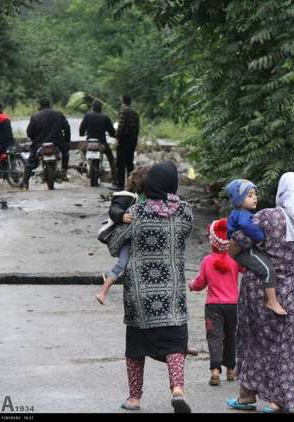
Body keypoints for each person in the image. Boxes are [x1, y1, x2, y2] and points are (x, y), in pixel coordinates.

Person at [107, 161, 194, 413]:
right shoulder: (185, 212)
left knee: (136, 347)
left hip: (139, 294)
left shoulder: (138, 211)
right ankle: (177, 389)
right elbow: (184, 233)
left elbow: (115, 244)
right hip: (172, 293)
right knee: (176, 344)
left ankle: (134, 399)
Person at [226, 172, 294, 413]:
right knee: (285, 347)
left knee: (252, 340)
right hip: (293, 291)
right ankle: (279, 400)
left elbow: (238, 244)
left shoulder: (267, 216)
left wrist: (232, 252)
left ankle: (246, 395)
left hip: (259, 290)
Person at [189, 218, 240, 387]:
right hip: (233, 305)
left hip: (213, 306)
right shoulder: (235, 260)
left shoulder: (207, 261)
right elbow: (247, 269)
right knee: (231, 336)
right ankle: (231, 370)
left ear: (212, 241)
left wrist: (191, 285)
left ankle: (215, 371)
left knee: (214, 337)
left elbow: (200, 283)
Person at [225, 179, 286, 316]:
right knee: (267, 269)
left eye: (254, 194)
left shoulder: (241, 213)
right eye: (250, 195)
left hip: (245, 250)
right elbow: (247, 227)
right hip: (244, 252)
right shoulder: (241, 214)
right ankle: (272, 301)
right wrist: (260, 236)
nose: (255, 197)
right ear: (239, 200)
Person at [96, 166, 150, 305]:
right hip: (127, 239)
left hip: (143, 238)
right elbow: (114, 210)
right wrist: (121, 216)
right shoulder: (127, 196)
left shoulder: (152, 198)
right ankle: (103, 292)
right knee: (122, 264)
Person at [20, 98, 70, 189]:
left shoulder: (35, 116)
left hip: (39, 143)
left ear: (40, 105)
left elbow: (29, 132)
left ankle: (24, 183)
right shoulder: (58, 114)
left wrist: (34, 139)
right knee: (65, 154)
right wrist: (66, 140)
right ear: (49, 105)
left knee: (30, 162)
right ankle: (64, 172)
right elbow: (67, 127)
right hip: (57, 141)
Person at [79, 100, 117, 187]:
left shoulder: (87, 116)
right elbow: (112, 132)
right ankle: (115, 179)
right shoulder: (105, 117)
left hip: (89, 142)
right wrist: (113, 135)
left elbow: (81, 129)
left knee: (82, 151)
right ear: (101, 109)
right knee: (111, 159)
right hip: (102, 143)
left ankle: (83, 165)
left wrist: (82, 134)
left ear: (92, 108)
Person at [115, 95, 140, 190]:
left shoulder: (123, 111)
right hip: (132, 140)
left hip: (124, 140)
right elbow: (137, 129)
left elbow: (121, 126)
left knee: (120, 163)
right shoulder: (135, 113)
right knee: (130, 163)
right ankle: (131, 185)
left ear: (122, 100)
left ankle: (120, 185)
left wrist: (117, 138)